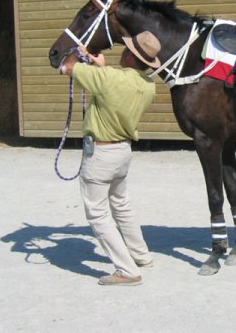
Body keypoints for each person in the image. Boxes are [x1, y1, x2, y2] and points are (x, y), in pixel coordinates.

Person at [58, 31, 161, 286]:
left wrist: (77, 51)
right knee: (121, 205)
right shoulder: (148, 85)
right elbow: (110, 84)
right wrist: (98, 66)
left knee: (97, 213)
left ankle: (126, 270)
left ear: (129, 55)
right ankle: (141, 255)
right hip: (123, 151)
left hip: (100, 154)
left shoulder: (108, 78)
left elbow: (66, 67)